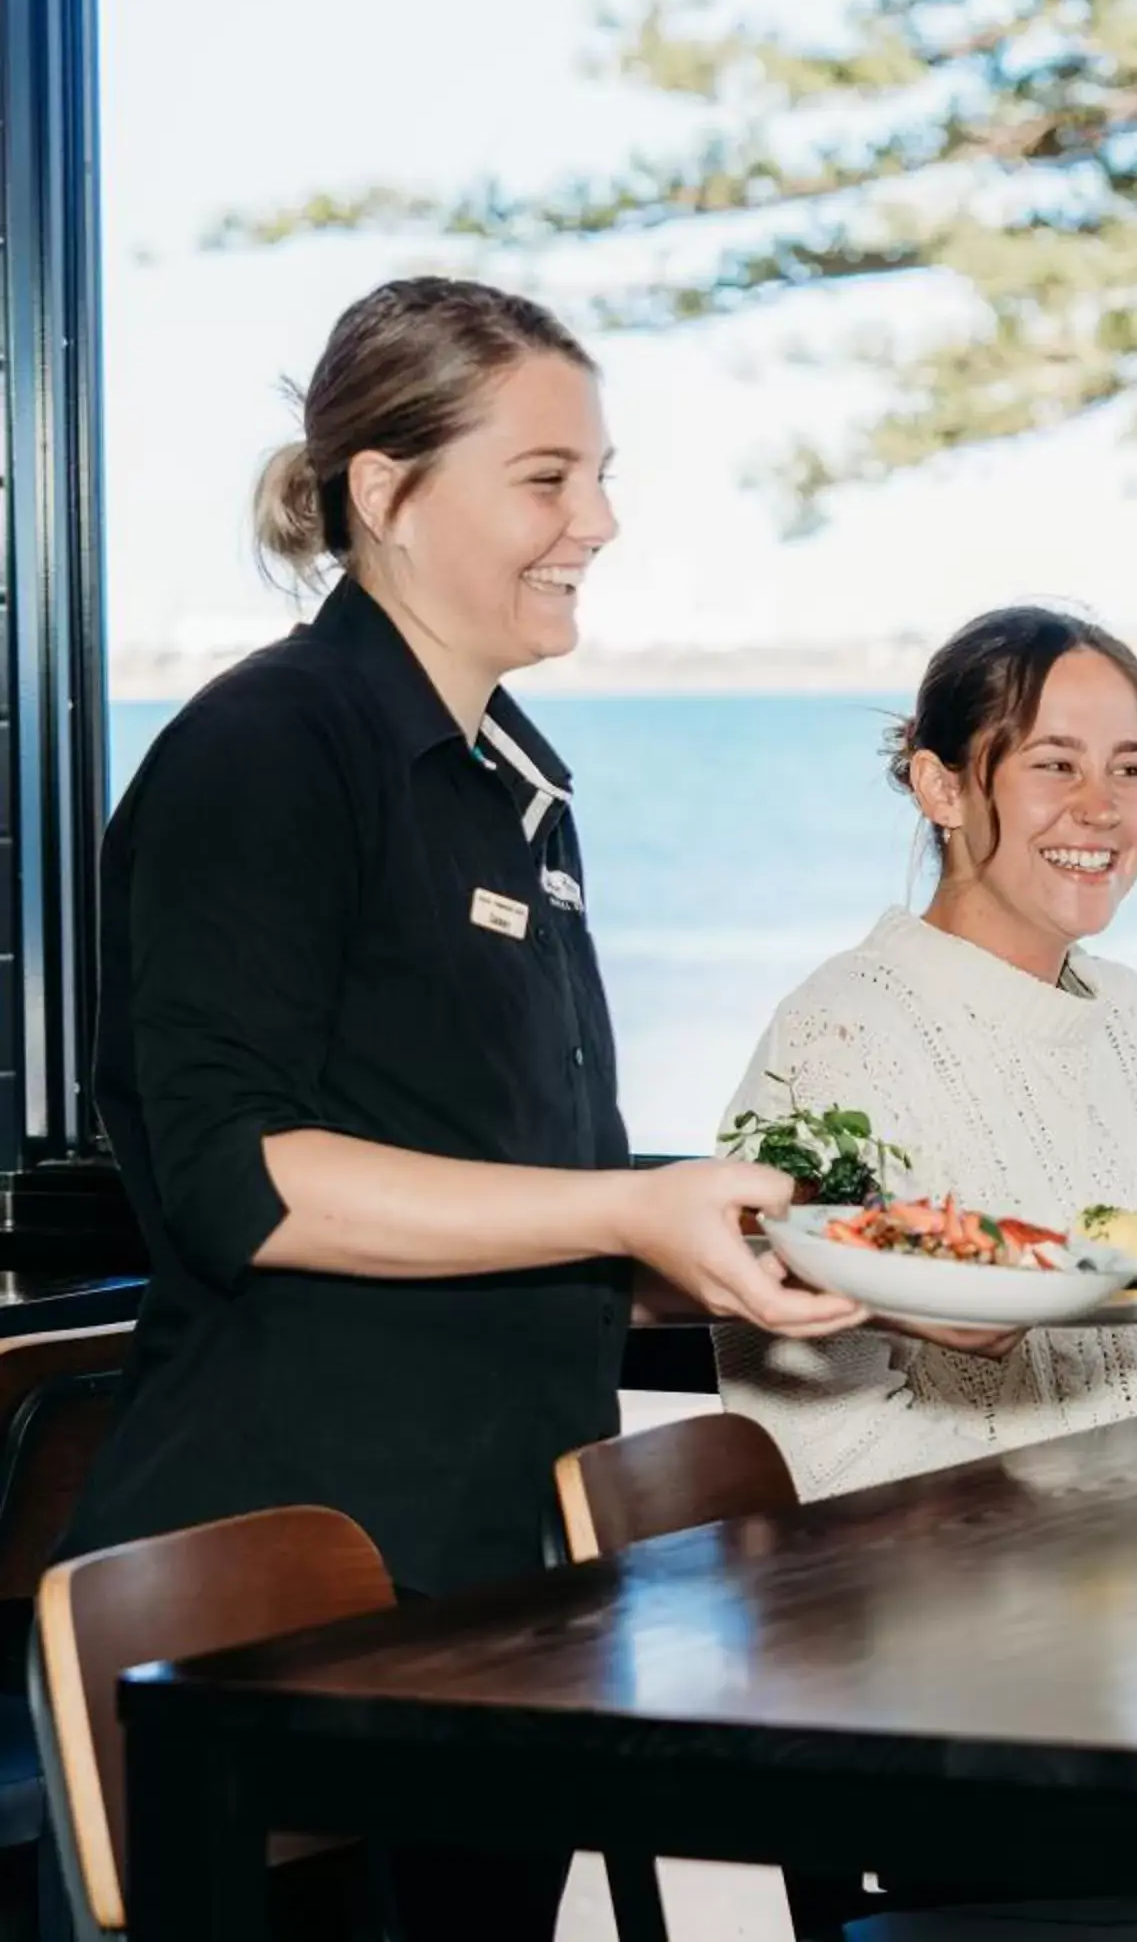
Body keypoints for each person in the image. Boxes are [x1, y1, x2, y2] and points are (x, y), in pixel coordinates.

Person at [67, 276, 861, 1940]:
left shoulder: (512, 777)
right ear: (386, 489)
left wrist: (708, 1251)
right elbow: (240, 1185)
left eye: (601, 474)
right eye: (549, 477)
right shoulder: (265, 753)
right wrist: (620, 1212)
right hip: (291, 1593)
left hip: (493, 1572)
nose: (601, 521)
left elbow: (506, 1177)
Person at [713, 604, 1137, 1498]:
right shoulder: (842, 1029)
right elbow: (811, 1433)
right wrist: (1078, 1529)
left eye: (1129, 769)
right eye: (1055, 765)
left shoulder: (1132, 1017)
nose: (1104, 808)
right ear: (941, 789)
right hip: (953, 1599)